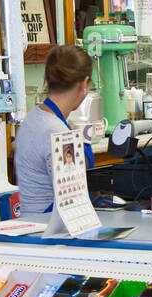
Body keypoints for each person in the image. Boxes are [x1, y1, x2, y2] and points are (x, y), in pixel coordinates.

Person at [15, 44, 95, 214]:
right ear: (84, 84)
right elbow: (73, 200)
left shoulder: (32, 119)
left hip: (32, 223)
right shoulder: (56, 132)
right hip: (50, 227)